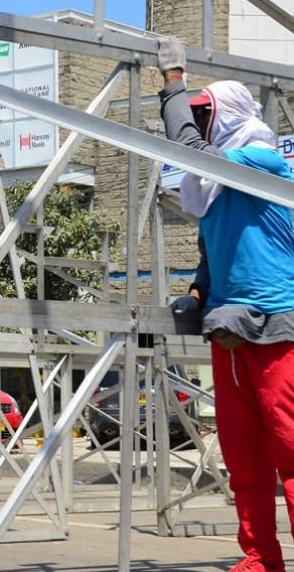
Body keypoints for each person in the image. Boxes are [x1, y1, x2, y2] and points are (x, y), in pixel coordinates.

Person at [159, 37, 294, 572]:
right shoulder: (215, 189)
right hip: (233, 332)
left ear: (231, 116)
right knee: (244, 459)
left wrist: (173, 82)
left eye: (207, 116)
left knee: (291, 450)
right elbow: (213, 254)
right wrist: (197, 291)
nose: (202, 126)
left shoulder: (262, 161)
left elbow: (189, 149)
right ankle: (261, 556)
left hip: (278, 330)